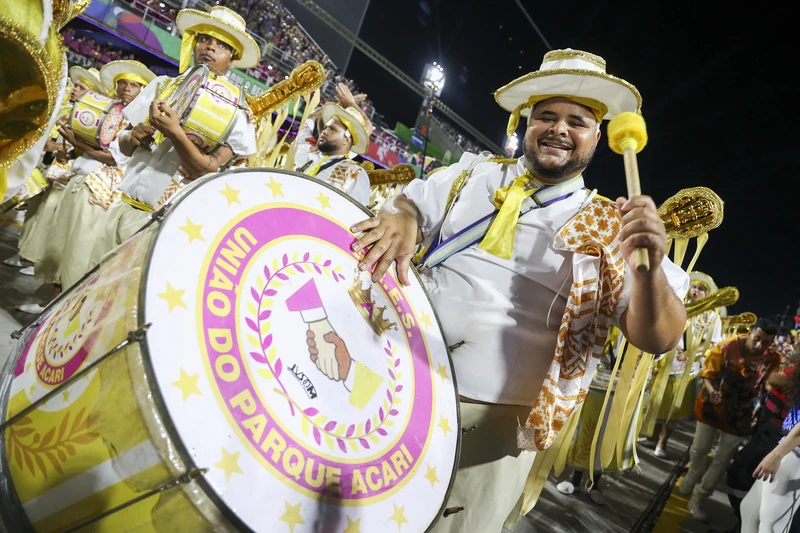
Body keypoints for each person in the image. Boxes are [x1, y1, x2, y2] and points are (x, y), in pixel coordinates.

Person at [347, 49, 689, 532]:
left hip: (486, 426)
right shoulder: (472, 174)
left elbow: (659, 337)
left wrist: (650, 269)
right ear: (525, 122)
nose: (559, 129)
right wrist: (404, 221)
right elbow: (411, 204)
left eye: (578, 121)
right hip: (391, 373)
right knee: (351, 511)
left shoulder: (614, 226)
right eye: (546, 116)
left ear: (598, 138)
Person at [87, 6, 259, 268]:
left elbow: (207, 170)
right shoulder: (162, 85)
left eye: (221, 45)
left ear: (232, 58)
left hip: (160, 224)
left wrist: (175, 132)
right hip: (120, 207)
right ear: (194, 44)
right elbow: (122, 145)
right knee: (87, 286)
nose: (210, 48)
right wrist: (134, 136)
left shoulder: (239, 113)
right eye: (204, 39)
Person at [55, 60, 157, 291]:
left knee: (81, 249)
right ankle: (51, 298)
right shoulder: (105, 110)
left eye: (134, 85)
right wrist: (72, 145)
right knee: (65, 242)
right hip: (85, 180)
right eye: (122, 83)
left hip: (107, 192)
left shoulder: (140, 120)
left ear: (143, 91)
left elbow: (114, 158)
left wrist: (75, 141)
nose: (126, 88)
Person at [678, 318, 781, 522]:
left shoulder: (772, 359)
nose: (760, 346)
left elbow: (767, 386)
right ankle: (694, 472)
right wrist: (712, 390)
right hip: (711, 407)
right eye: (758, 339)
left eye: (767, 342)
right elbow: (706, 374)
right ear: (750, 332)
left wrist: (758, 408)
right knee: (699, 449)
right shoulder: (728, 346)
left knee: (722, 460)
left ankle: (699, 498)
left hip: (740, 415)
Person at [645, 272, 724, 457]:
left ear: (707, 294)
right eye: (694, 287)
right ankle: (651, 437)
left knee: (674, 406)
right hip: (664, 362)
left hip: (685, 368)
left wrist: (690, 352)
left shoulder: (712, 317)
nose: (695, 291)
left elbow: (712, 343)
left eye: (700, 289)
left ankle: (662, 443)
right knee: (656, 401)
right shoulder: (677, 306)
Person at [294, 83, 372, 206]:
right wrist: (340, 106)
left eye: (332, 129)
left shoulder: (353, 172)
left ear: (347, 139)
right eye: (325, 127)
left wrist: (352, 105)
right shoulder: (305, 153)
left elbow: (367, 128)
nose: (324, 131)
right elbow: (311, 117)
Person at [740, 380, 800, 533]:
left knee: (771, 525)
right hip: (788, 447)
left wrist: (775, 456)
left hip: (795, 455)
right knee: (749, 510)